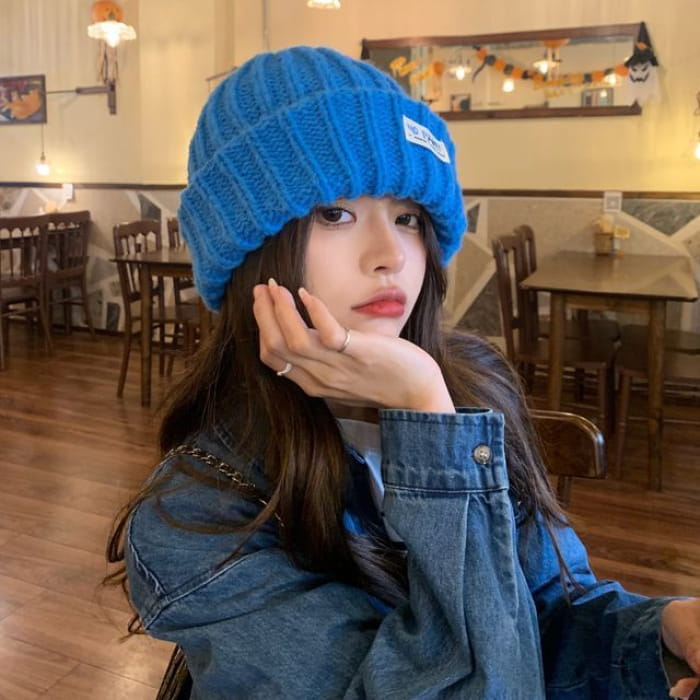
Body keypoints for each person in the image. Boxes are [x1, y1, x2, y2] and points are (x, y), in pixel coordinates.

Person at [106, 46, 700, 699]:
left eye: (408, 217)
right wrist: (425, 418)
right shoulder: (194, 517)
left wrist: (655, 633)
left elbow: (543, 608)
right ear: (247, 250)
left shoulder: (470, 385)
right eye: (335, 212)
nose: (390, 254)